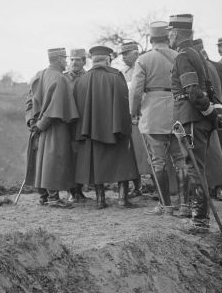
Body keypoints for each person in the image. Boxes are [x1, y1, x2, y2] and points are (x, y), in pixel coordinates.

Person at [169, 14, 222, 232]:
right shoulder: (197, 54)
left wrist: (210, 113)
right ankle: (199, 218)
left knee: (194, 169)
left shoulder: (183, 56)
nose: (168, 37)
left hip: (191, 118)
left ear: (175, 33)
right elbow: (211, 89)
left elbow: (193, 92)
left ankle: (199, 221)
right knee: (197, 168)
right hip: (197, 119)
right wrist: (215, 114)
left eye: (169, 33)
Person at [130, 22, 187, 216]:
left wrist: (134, 111)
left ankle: (166, 206)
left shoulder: (143, 59)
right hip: (178, 112)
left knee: (158, 162)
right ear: (167, 38)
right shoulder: (180, 57)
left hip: (153, 115)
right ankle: (185, 205)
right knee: (180, 160)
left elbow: (136, 91)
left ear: (151, 39)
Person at [73, 45, 139, 209]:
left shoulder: (81, 80)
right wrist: (125, 128)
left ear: (92, 60)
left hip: (90, 132)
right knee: (123, 161)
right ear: (108, 59)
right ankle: (123, 199)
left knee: (97, 164)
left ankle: (100, 200)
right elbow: (124, 105)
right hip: (116, 130)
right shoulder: (116, 76)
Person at [25, 47, 79, 208]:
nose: (67, 62)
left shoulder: (38, 75)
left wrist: (31, 122)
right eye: (65, 58)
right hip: (54, 127)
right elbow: (55, 109)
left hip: (37, 127)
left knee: (40, 161)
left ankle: (43, 197)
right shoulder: (60, 78)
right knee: (53, 161)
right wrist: (41, 126)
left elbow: (29, 101)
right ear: (59, 59)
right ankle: (54, 198)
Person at [192, 39, 222, 202]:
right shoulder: (211, 66)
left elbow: (215, 93)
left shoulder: (202, 67)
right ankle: (218, 187)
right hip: (213, 112)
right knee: (213, 151)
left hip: (202, 112)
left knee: (206, 152)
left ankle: (210, 188)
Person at [120, 39, 150, 198]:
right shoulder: (123, 73)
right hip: (129, 119)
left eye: (126, 53)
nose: (123, 57)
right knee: (132, 153)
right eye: (122, 54)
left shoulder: (145, 66)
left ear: (136, 53)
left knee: (149, 152)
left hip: (145, 116)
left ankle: (158, 187)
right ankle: (137, 186)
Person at [63, 48, 89, 203]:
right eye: (72, 60)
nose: (74, 63)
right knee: (69, 157)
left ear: (84, 61)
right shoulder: (63, 78)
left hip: (83, 123)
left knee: (82, 157)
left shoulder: (88, 77)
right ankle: (71, 191)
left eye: (78, 60)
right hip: (67, 125)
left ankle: (79, 190)